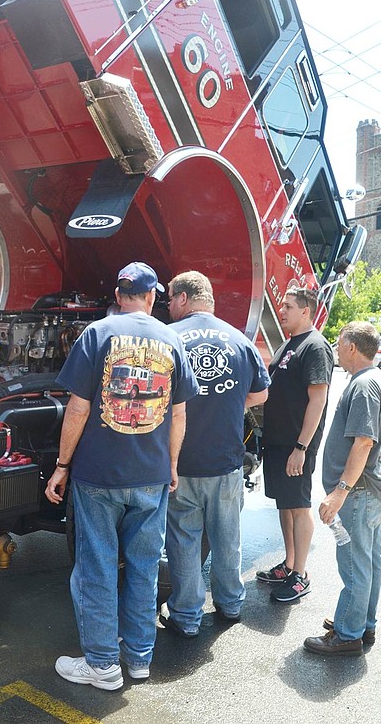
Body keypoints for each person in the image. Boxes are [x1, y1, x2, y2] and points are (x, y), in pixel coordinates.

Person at [45, 261, 199, 690]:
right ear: (153, 297)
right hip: (151, 475)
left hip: (98, 477)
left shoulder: (95, 335)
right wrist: (171, 465)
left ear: (118, 295)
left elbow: (78, 407)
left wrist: (61, 465)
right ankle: (139, 658)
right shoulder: (172, 340)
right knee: (144, 568)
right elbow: (179, 414)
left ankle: (101, 664)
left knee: (96, 568)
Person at [160, 271, 270, 636]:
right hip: (226, 462)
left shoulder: (169, 338)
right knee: (228, 537)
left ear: (183, 299)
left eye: (171, 299)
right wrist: (230, 405)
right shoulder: (239, 339)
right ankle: (230, 604)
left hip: (182, 462)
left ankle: (187, 616)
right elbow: (261, 394)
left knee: (184, 541)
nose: (168, 306)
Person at [304, 321, 381, 656]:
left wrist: (339, 490)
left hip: (359, 492)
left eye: (339, 344)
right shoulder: (376, 380)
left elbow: (364, 443)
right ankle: (361, 623)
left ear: (352, 347)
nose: (336, 350)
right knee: (368, 561)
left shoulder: (365, 385)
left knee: (356, 565)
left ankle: (348, 634)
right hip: (372, 490)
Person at [256, 286, 333, 602]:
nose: (282, 310)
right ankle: (288, 564)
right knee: (284, 505)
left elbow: (318, 399)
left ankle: (300, 574)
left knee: (299, 507)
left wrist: (301, 447)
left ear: (306, 310)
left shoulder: (315, 347)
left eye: (288, 306)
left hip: (295, 446)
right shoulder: (290, 344)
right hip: (277, 443)